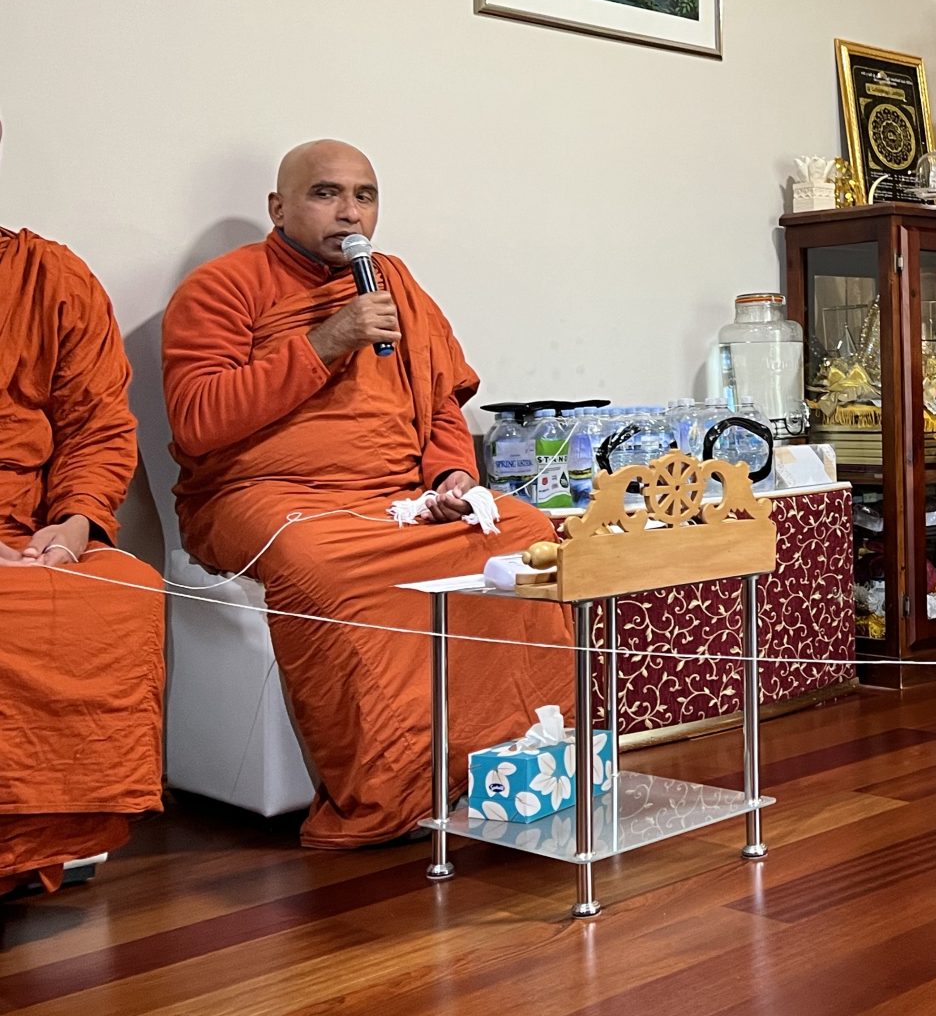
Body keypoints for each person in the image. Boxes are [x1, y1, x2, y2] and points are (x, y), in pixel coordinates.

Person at [162, 140, 572, 849]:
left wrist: (452, 477)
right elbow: (198, 420)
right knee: (319, 561)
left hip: (397, 496)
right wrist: (324, 343)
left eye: (365, 195)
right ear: (278, 207)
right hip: (264, 498)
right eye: (326, 193)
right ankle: (395, 790)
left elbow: (439, 403)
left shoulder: (393, 283)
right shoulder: (223, 287)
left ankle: (523, 760)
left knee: (522, 531)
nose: (350, 212)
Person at [0, 166, 164, 894]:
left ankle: (45, 842)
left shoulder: (50, 277)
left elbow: (99, 425)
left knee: (124, 589)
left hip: (31, 532)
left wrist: (71, 527)